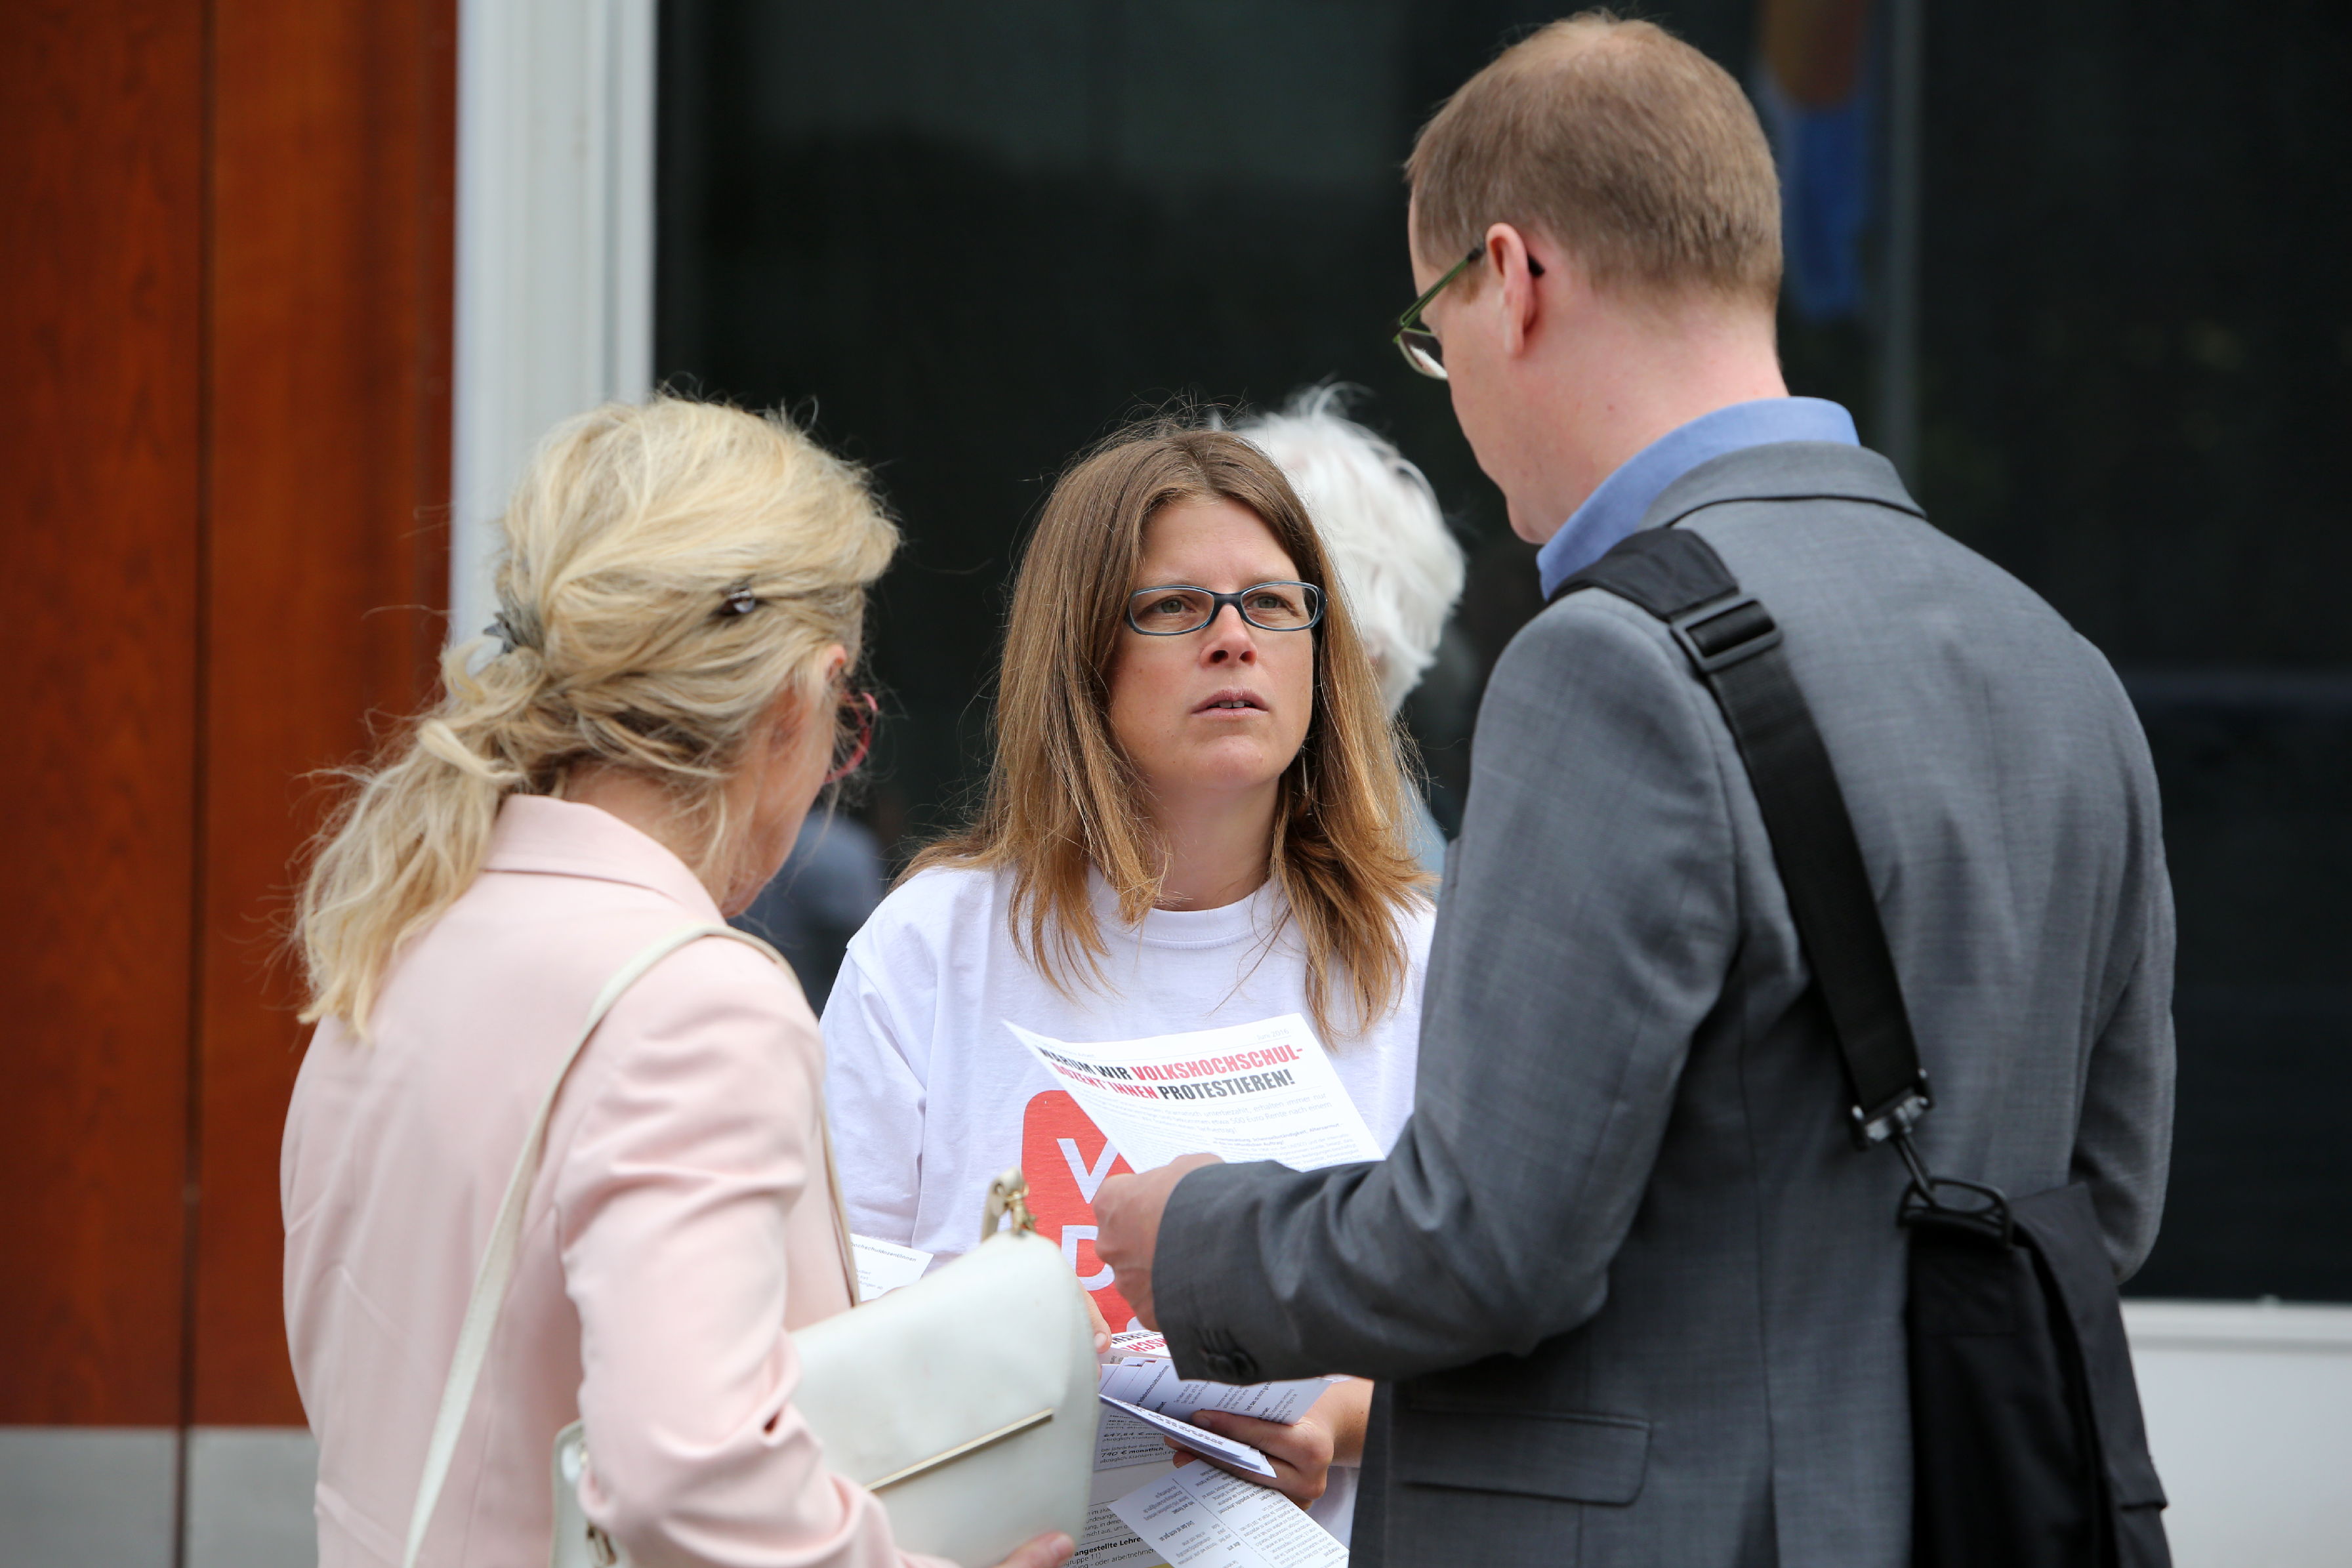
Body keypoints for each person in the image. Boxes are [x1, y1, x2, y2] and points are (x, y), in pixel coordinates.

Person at [1094, 14, 2174, 1568]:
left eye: (1431, 330)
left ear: (1514, 281)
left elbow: (1484, 1248)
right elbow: (2103, 1198)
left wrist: (1192, 1229)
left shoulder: (1607, 662)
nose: (1449, 388)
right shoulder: (2056, 661)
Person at [281, 398, 1075, 1568]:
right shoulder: (692, 1003)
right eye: (845, 724)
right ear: (800, 698)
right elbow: (684, 1470)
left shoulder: (413, 925)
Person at [821, 422, 1434, 1540]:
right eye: (1174, 608)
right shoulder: (933, 950)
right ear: (1080, 652)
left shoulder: (1419, 958)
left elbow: (1512, 1311)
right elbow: (826, 1330)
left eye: (1272, 603)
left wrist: (1347, 1414)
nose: (1234, 641)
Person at [1235, 386, 1466, 875]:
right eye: (1176, 602)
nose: (1222, 635)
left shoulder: (1402, 912)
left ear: (1362, 650)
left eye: (1266, 603)